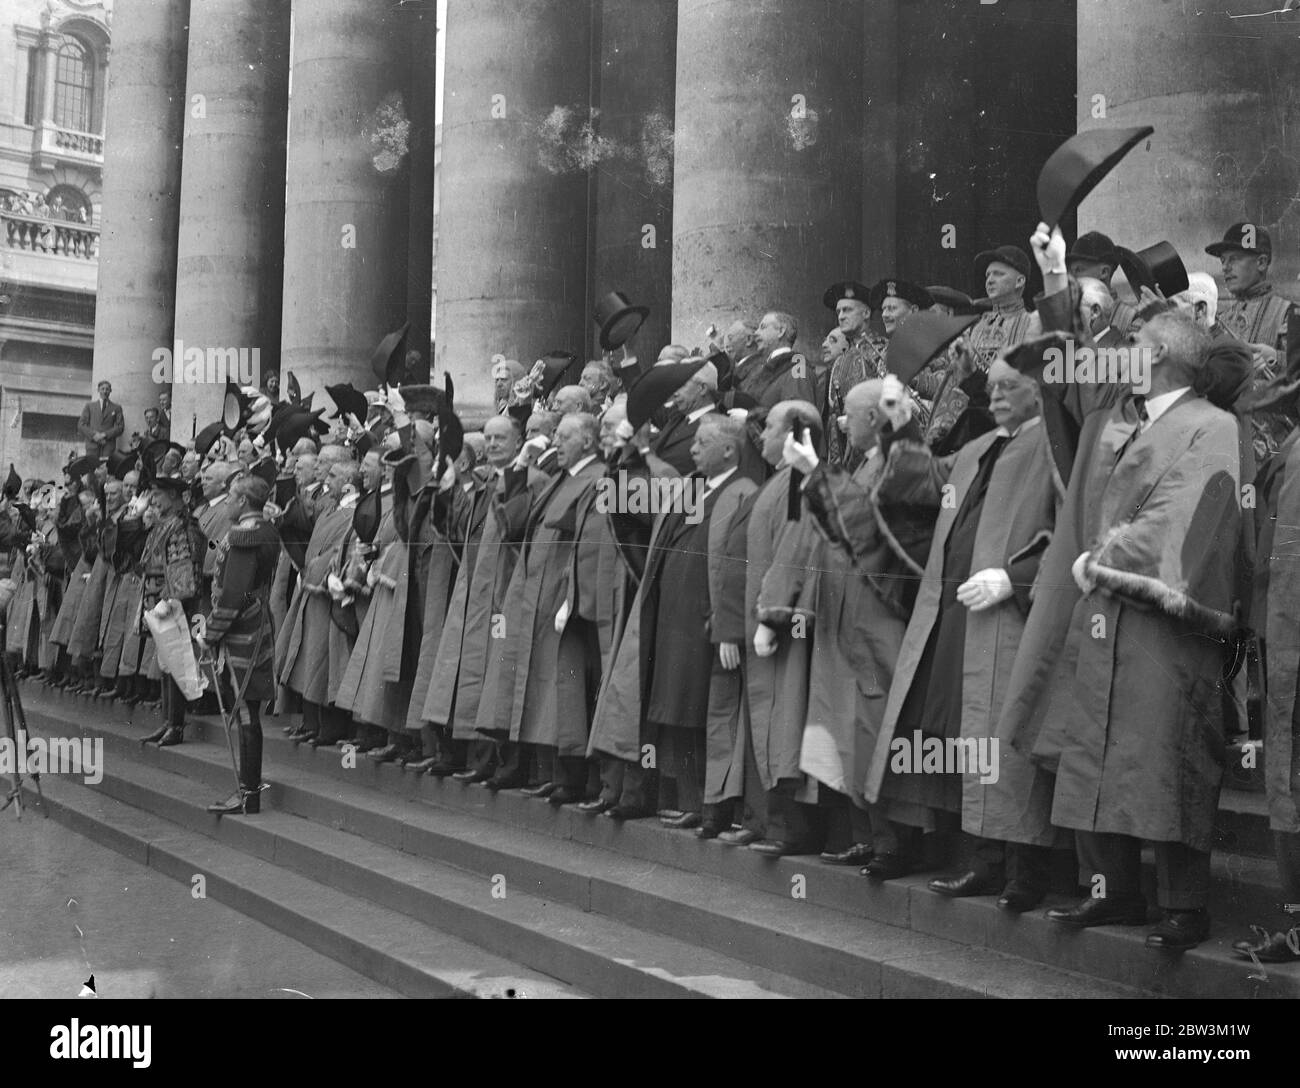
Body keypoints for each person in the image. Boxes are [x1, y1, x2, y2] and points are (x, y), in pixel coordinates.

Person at [203, 473, 282, 815]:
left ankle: (249, 793)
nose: (229, 503)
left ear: (243, 502)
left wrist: (211, 633)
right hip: (257, 625)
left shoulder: (245, 536)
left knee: (246, 712)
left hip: (241, 633)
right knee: (247, 712)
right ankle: (249, 791)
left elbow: (233, 595)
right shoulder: (265, 530)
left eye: (233, 498)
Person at [138, 478, 206, 747]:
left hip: (173, 602)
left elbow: (182, 567)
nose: (154, 500)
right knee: (166, 660)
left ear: (176, 496)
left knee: (176, 659)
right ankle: (168, 721)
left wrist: (171, 599)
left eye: (158, 495)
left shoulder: (181, 526)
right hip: (158, 599)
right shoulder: (163, 524)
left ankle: (176, 724)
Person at [1065, 231, 1137, 337]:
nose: (1070, 278)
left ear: (1104, 272)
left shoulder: (1130, 320)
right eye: (1070, 271)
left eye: (1078, 270)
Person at [78, 381, 124, 458]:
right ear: (98, 390)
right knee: (91, 468)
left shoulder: (116, 408)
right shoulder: (89, 406)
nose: (105, 391)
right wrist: (94, 435)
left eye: (107, 389)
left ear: (110, 391)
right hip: (92, 446)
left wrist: (104, 435)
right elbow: (81, 425)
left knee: (105, 468)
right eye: (102, 389)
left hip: (108, 447)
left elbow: (120, 427)